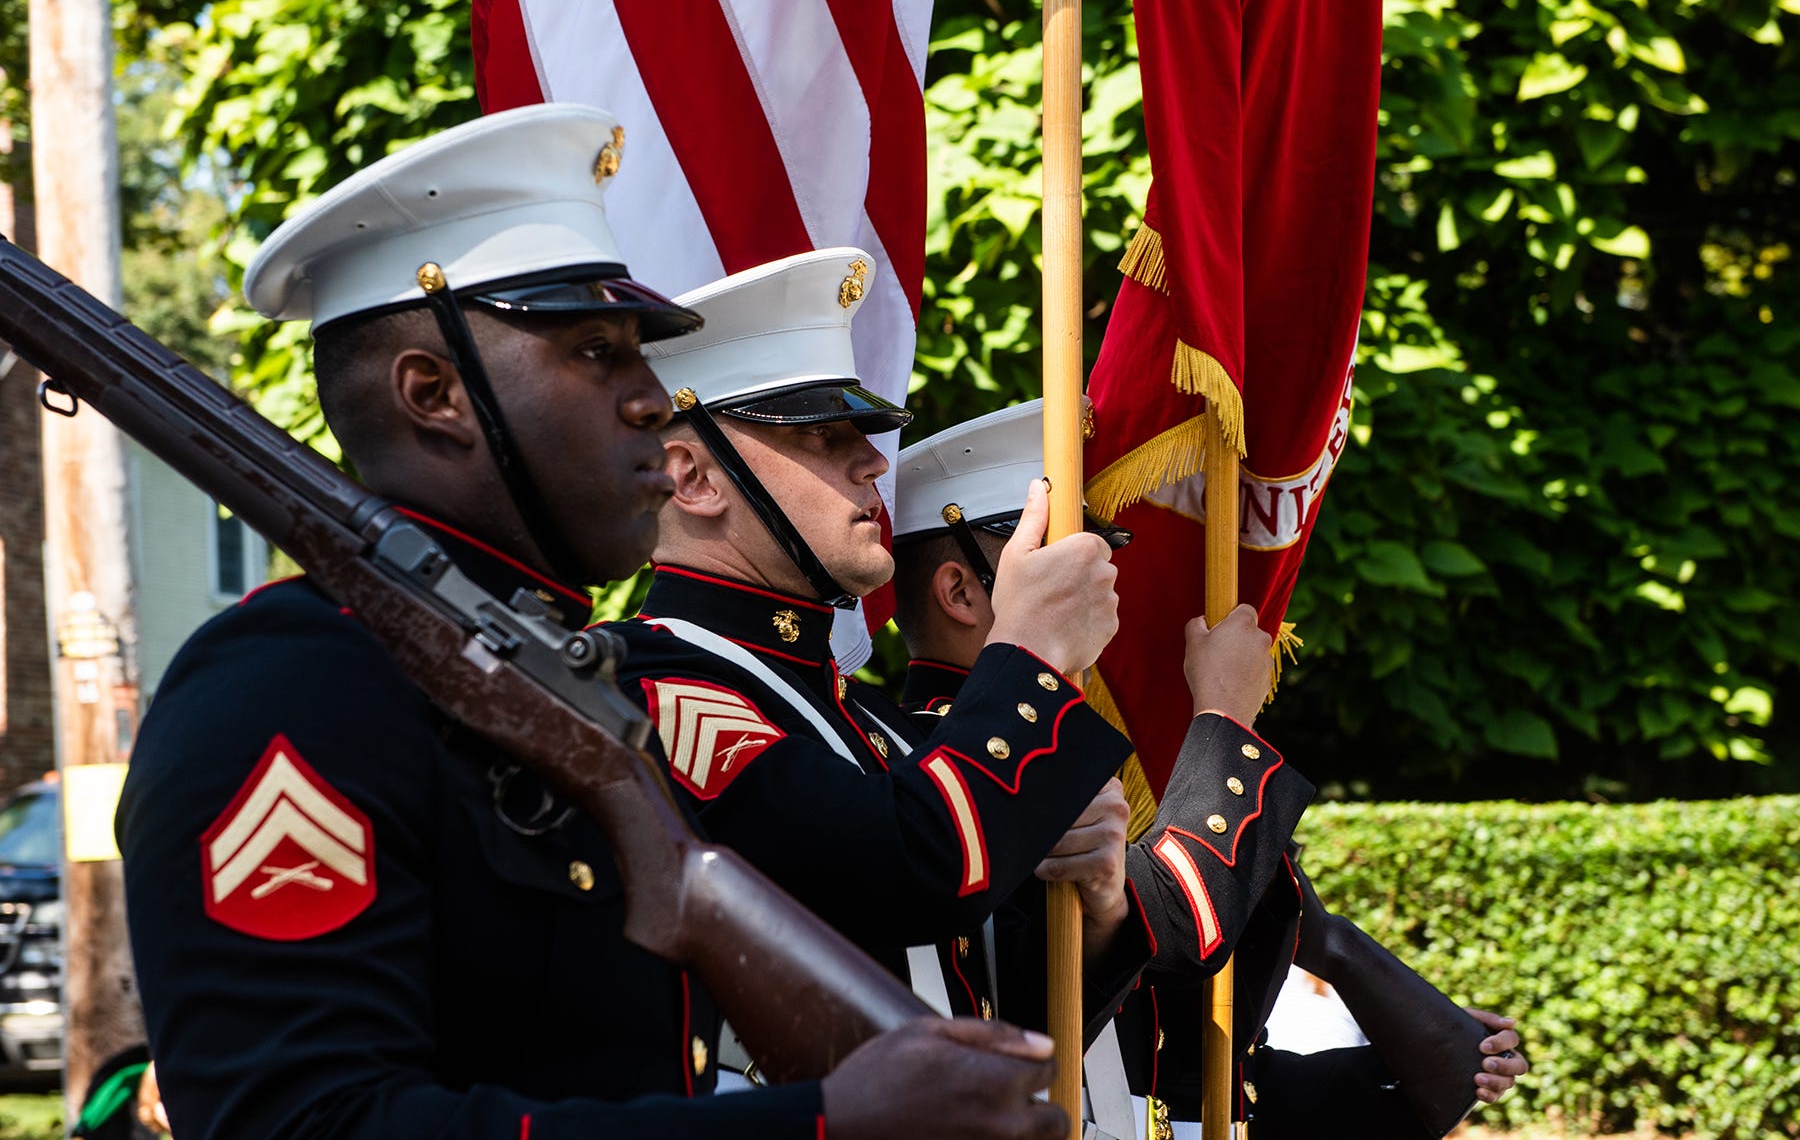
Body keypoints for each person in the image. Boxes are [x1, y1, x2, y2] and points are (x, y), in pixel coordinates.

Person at [115, 104, 1077, 1140]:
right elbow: (309, 1122)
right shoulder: (295, 683)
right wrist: (818, 1125)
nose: (654, 401)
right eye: (594, 351)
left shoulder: (564, 688)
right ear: (432, 392)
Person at [890, 398, 1530, 1139]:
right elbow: (1181, 925)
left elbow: (1190, 1070)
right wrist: (1222, 715)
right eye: (1055, 556)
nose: (1104, 577)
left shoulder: (1085, 752)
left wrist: (1363, 998)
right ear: (962, 592)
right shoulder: (943, 767)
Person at [602, 248, 1151, 1033]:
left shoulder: (887, 736)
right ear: (692, 478)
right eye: (822, 436)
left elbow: (1007, 1026)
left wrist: (1098, 915)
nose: (871, 463)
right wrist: (1028, 652)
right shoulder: (648, 687)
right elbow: (906, 871)